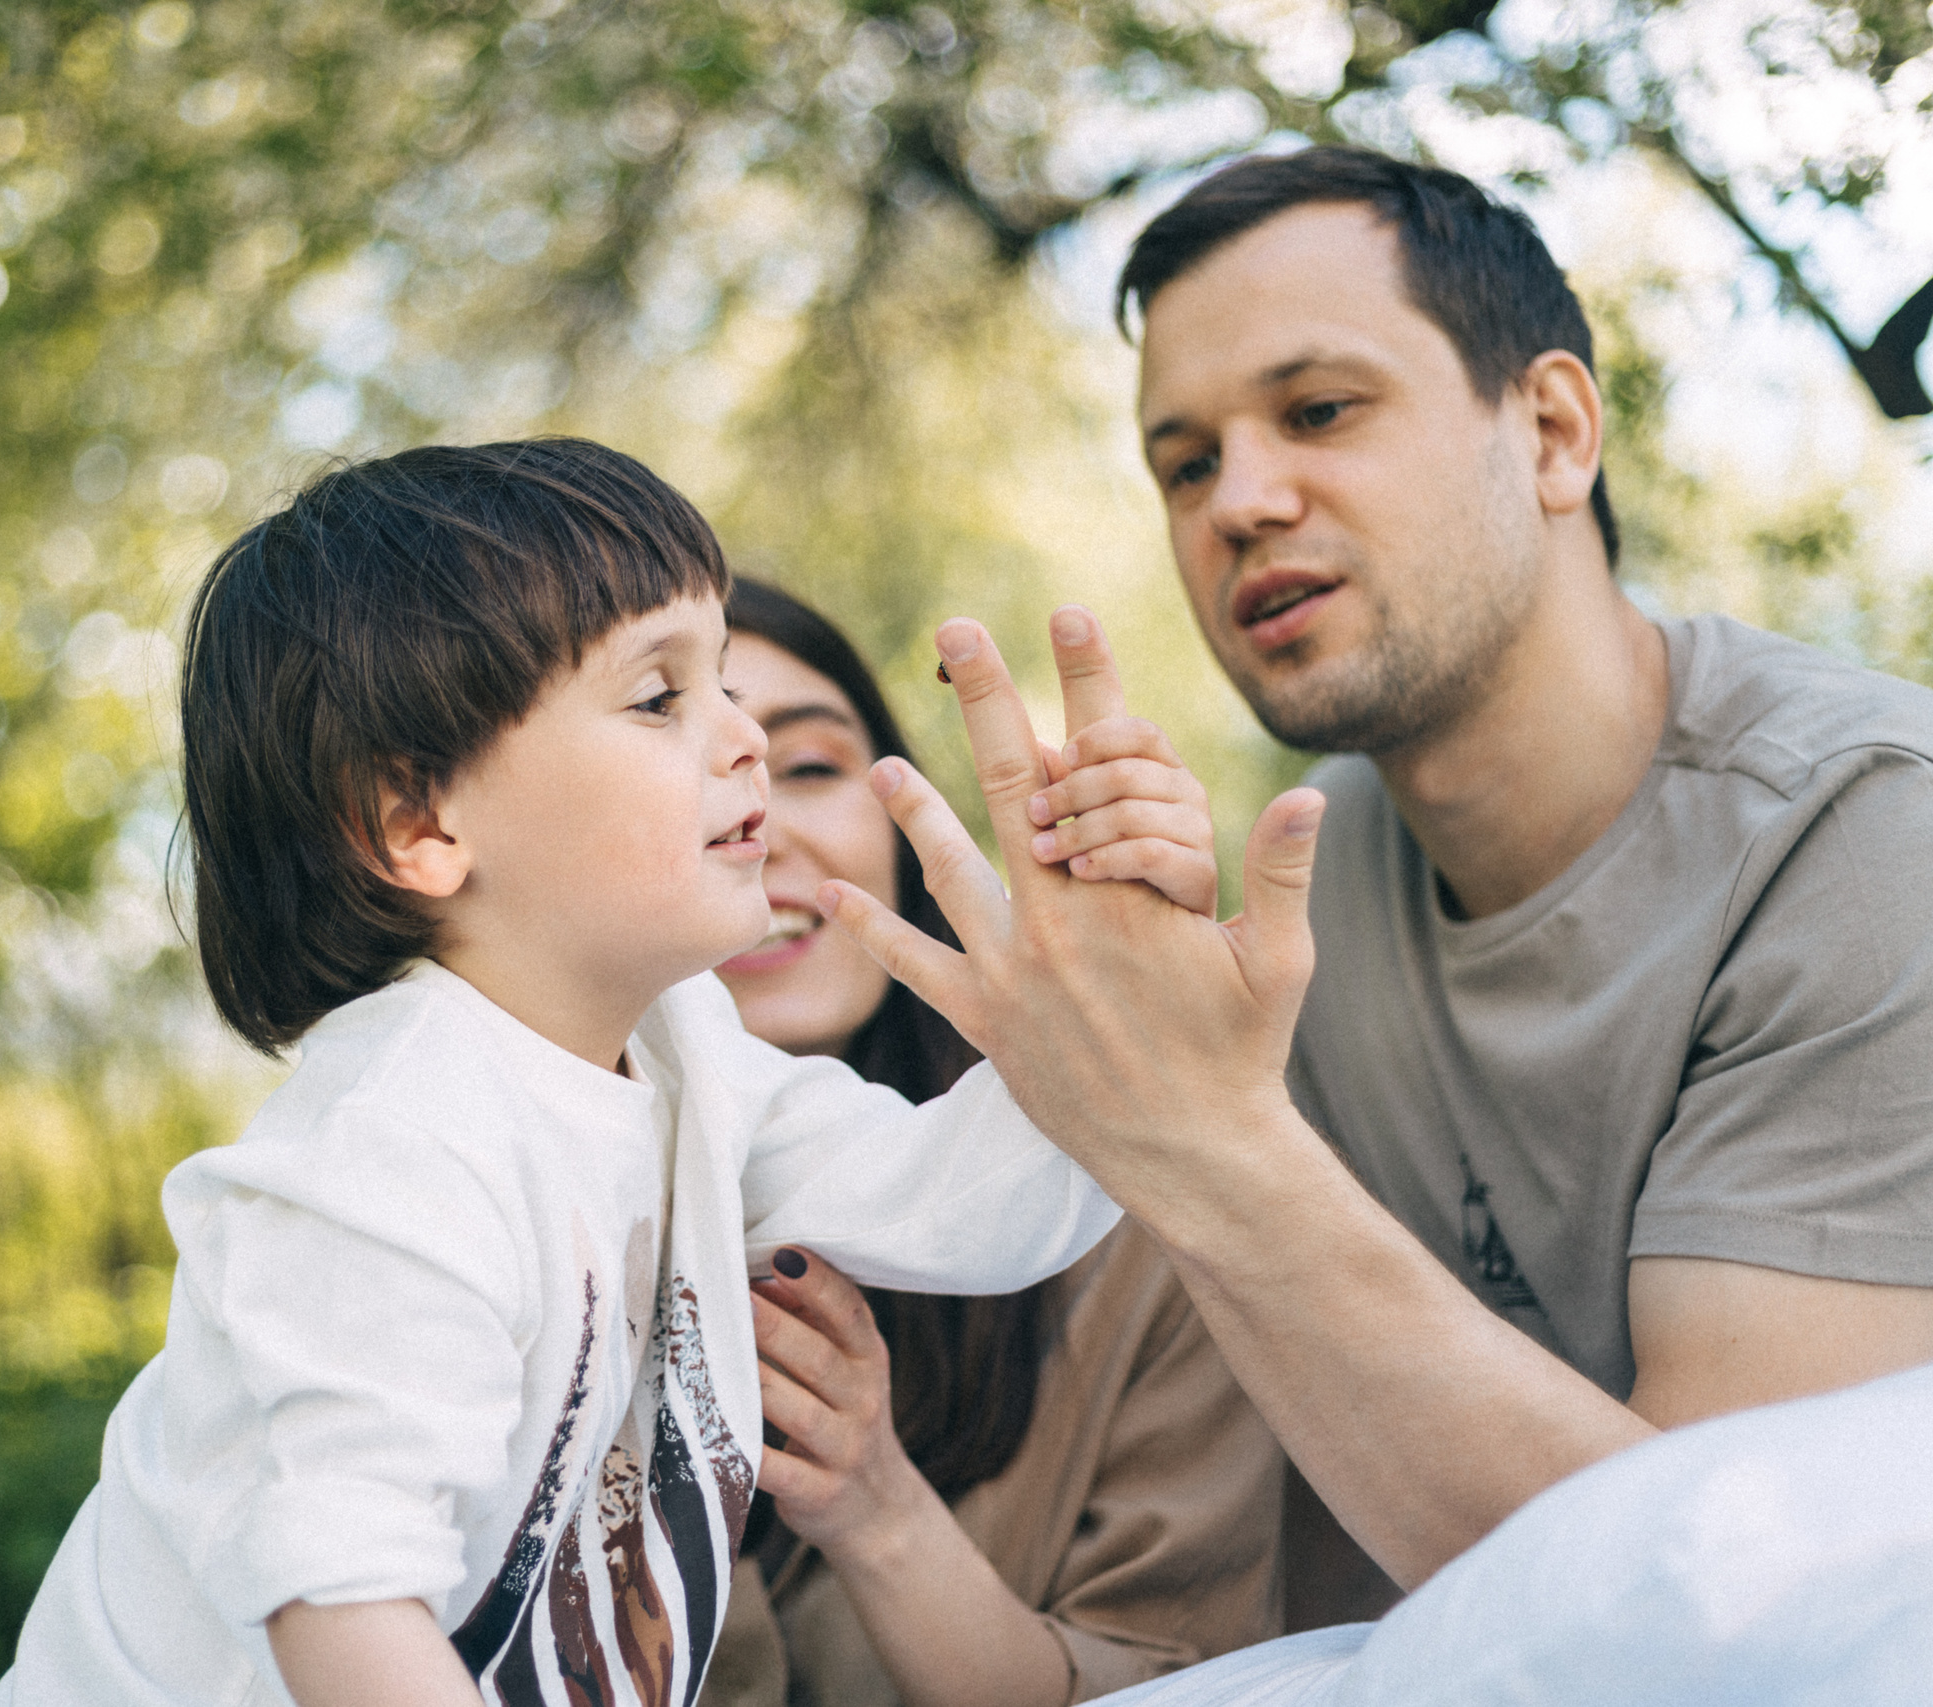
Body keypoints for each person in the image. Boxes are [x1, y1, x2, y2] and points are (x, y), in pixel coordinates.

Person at [805, 144, 1933, 1629]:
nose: (1241, 503)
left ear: (1549, 430)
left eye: (1320, 410)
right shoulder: (1311, 883)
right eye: (1186, 462)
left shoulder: (1860, 839)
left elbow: (1720, 1608)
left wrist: (1197, 1127)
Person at [0, 439, 1215, 1707]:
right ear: (416, 825)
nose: (743, 741)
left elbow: (975, 1207)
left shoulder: (687, 1051)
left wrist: (1109, 982)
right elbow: (343, 1607)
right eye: (657, 699)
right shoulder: (387, 1147)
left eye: (723, 682)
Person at [700, 580, 1282, 1707]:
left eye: (809, 766)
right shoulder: (503, 1202)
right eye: (693, 772)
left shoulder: (1117, 1221)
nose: (756, 821)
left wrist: (873, 1508)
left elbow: (1170, 1678)